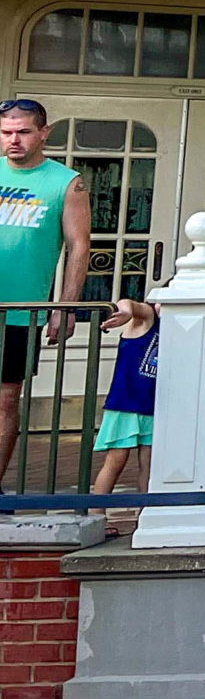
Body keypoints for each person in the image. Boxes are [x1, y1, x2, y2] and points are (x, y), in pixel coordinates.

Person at [0, 96, 88, 486]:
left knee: (4, 399)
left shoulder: (66, 182)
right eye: (5, 133)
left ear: (43, 133)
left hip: (22, 310)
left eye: (23, 132)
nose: (13, 141)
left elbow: (79, 245)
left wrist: (64, 308)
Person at [89, 295, 158, 510]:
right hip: (125, 404)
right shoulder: (147, 319)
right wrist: (125, 312)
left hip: (151, 406)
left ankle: (146, 513)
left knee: (149, 463)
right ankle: (97, 513)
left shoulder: (180, 330)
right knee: (116, 460)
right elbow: (130, 304)